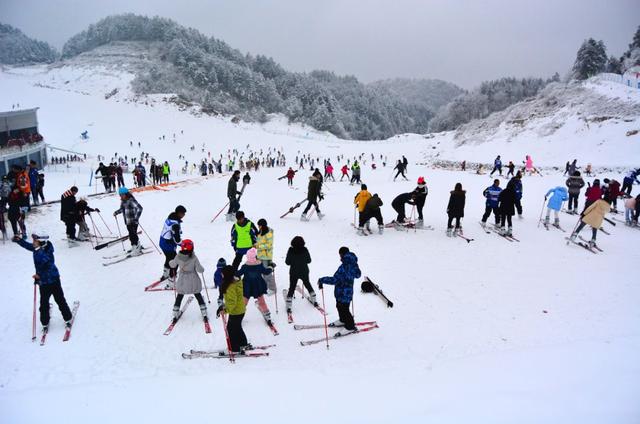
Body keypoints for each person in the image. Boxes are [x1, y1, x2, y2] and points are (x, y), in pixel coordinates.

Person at [14, 232, 73, 332]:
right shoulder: (37, 248)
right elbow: (29, 246)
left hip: (53, 280)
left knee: (60, 300)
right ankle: (45, 322)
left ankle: (68, 318)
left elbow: (47, 264)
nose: (33, 242)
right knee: (44, 303)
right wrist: (19, 241)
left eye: (35, 240)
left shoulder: (47, 249)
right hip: (43, 283)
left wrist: (39, 275)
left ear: (40, 242)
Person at [318, 247, 361, 331]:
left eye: (340, 255)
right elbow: (358, 274)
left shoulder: (344, 267)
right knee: (339, 306)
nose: (340, 257)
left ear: (342, 255)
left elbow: (335, 280)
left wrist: (322, 280)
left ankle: (350, 326)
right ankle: (342, 320)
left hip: (342, 292)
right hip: (347, 292)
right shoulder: (353, 264)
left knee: (344, 309)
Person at [169, 239, 208, 324]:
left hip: (183, 279)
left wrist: (170, 262)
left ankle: (175, 312)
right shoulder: (193, 257)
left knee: (180, 295)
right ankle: (204, 311)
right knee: (197, 294)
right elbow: (199, 269)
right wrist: (202, 269)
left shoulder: (178, 256)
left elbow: (173, 264)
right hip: (193, 279)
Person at [236, 247, 273, 324]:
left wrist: (232, 273)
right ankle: (267, 315)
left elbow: (238, 273)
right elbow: (266, 272)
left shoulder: (245, 266)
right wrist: (271, 267)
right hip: (258, 286)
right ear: (255, 257)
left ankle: (238, 317)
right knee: (261, 301)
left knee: (244, 302)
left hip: (247, 287)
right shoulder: (259, 265)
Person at [217, 265, 249, 353]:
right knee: (237, 327)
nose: (221, 275)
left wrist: (226, 310)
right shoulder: (236, 282)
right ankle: (243, 344)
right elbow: (231, 301)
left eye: (222, 273)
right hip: (240, 310)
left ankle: (234, 348)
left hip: (236, 311)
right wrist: (224, 307)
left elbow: (232, 302)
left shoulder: (230, 286)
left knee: (231, 329)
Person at [285, 236, 316, 312]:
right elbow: (309, 260)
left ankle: (289, 302)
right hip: (304, 270)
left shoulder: (291, 250)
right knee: (307, 283)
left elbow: (287, 262)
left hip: (294, 271)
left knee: (292, 286)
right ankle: (313, 297)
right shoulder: (305, 250)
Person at [159, 205, 186, 284]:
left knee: (169, 258)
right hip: (168, 244)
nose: (184, 215)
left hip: (162, 242)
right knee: (175, 261)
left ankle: (165, 274)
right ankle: (171, 281)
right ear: (179, 213)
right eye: (183, 213)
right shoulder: (175, 224)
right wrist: (184, 245)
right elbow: (177, 239)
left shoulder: (171, 217)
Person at [113, 187, 143, 255]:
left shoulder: (131, 200)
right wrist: (116, 212)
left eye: (122, 195)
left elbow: (140, 208)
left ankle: (137, 249)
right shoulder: (123, 201)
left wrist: (136, 218)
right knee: (131, 234)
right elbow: (122, 209)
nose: (121, 196)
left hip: (133, 221)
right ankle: (134, 246)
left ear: (126, 194)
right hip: (127, 222)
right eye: (120, 195)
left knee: (133, 234)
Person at [256, 218, 276, 294]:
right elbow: (259, 242)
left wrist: (258, 247)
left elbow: (269, 245)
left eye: (259, 225)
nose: (258, 227)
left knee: (267, 272)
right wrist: (255, 245)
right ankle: (264, 286)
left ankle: (272, 288)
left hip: (266, 256)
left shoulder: (269, 233)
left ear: (262, 225)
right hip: (260, 255)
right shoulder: (260, 232)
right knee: (261, 272)